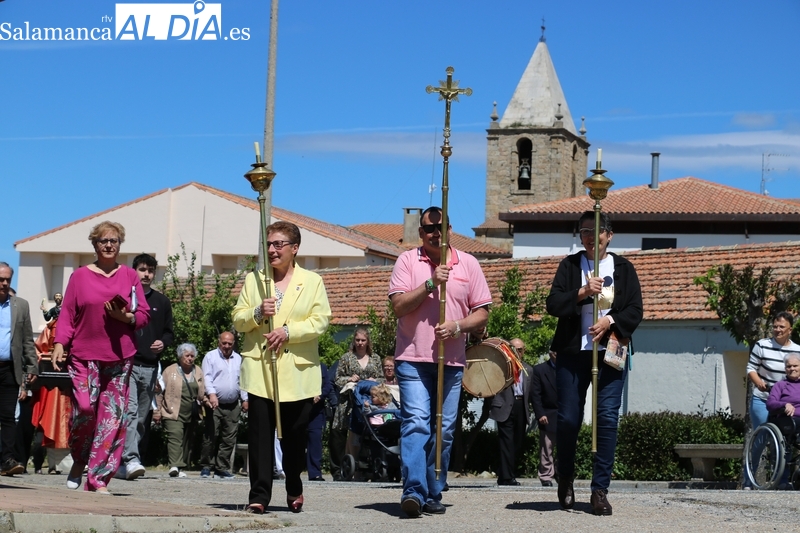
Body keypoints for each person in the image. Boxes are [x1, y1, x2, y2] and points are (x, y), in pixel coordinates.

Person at [388, 206, 491, 517]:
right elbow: (398, 306)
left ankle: (434, 490)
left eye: (440, 226)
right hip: (412, 360)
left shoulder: (469, 264)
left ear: (449, 230)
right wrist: (431, 283)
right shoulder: (407, 260)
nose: (435, 232)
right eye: (429, 228)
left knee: (443, 430)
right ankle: (413, 491)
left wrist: (458, 326)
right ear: (421, 233)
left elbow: (483, 312)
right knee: (417, 423)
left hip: (453, 361)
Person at [546, 211, 642, 516]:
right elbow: (554, 304)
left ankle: (600, 490)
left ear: (609, 235)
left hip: (611, 351)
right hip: (573, 354)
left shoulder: (624, 268)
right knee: (570, 420)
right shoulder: (570, 265)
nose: (590, 236)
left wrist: (610, 321)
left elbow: (635, 310)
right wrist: (582, 292)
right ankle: (566, 478)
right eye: (584, 231)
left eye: (596, 231)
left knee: (607, 419)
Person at [232, 221, 331, 514]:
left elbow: (321, 320)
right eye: (269, 244)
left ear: (294, 248)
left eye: (278, 244)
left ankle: (294, 486)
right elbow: (238, 319)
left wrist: (289, 331)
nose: (272, 250)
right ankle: (259, 495)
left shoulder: (313, 282)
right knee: (260, 436)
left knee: (294, 436)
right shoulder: (255, 280)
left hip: (297, 373)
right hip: (261, 370)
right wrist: (257, 312)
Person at [52, 222, 150, 493]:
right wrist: (60, 343)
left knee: (111, 418)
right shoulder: (80, 276)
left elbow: (143, 313)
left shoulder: (130, 275)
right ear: (94, 245)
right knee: (84, 409)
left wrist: (126, 317)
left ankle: (97, 478)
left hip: (119, 357)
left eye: (115, 240)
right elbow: (67, 314)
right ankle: (79, 458)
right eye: (103, 241)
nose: (109, 245)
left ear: (120, 244)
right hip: (83, 356)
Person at [117, 253, 174, 481]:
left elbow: (169, 332)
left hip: (151, 367)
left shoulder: (162, 302)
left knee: (142, 417)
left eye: (150, 270)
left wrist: (164, 343)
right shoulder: (125, 299)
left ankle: (126, 460)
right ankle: (131, 459)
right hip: (128, 363)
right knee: (129, 413)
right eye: (142, 269)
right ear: (134, 271)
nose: (147, 274)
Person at [0, 262, 38, 476]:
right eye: (1, 280)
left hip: (9, 369)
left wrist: (32, 366)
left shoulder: (20, 305)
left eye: (8, 280)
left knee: (8, 417)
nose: (4, 284)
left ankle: (6, 460)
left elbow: (26, 339)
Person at [199, 331, 248, 479]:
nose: (226, 346)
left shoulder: (238, 358)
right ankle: (206, 466)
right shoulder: (210, 357)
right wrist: (212, 394)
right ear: (219, 342)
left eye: (229, 344)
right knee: (211, 435)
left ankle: (222, 468)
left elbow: (243, 381)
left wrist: (245, 399)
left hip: (233, 404)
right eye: (224, 343)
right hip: (215, 403)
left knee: (229, 438)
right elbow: (206, 377)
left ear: (233, 344)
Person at [155, 343, 207, 478]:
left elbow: (202, 391)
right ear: (180, 356)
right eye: (187, 356)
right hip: (172, 411)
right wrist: (157, 410)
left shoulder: (198, 371)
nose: (190, 358)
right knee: (175, 436)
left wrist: (206, 400)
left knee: (187, 440)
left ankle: (181, 466)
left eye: (192, 356)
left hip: (192, 411)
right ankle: (174, 465)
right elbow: (160, 392)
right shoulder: (170, 371)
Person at [488, 338, 533, 487]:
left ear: (524, 351)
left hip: (521, 406)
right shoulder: (501, 368)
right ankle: (508, 477)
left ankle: (504, 473)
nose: (517, 352)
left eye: (519, 350)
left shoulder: (528, 370)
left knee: (517, 443)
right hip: (505, 407)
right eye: (513, 349)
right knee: (506, 442)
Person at [334, 328, 383, 458]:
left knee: (370, 431)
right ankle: (345, 465)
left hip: (370, 401)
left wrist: (374, 380)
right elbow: (337, 379)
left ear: (368, 342)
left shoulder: (375, 358)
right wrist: (349, 379)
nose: (360, 343)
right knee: (347, 434)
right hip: (349, 402)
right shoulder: (347, 358)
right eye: (357, 340)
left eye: (363, 340)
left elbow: (382, 379)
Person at [531, 349, 558, 487]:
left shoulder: (567, 369)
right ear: (549, 352)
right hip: (547, 414)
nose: (557, 353)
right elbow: (535, 394)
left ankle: (561, 473)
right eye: (554, 351)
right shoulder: (540, 370)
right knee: (547, 448)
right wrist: (540, 413)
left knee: (566, 448)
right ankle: (546, 475)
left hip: (565, 414)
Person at [306, 362, 331, 481]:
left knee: (315, 441)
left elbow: (327, 386)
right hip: (299, 409)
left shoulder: (322, 366)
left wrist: (320, 395)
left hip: (316, 411)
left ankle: (315, 473)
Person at [766, 353, 800, 418]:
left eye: (795, 366)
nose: (792, 368)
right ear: (785, 369)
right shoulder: (780, 385)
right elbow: (770, 404)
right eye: (789, 366)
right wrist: (785, 404)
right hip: (791, 419)